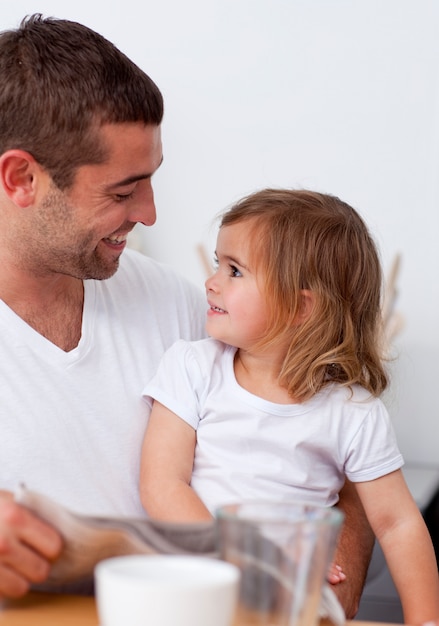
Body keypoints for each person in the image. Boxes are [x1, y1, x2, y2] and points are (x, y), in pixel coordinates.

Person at [0, 15, 372, 616]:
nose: (148, 214)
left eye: (151, 181)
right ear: (21, 179)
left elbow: (346, 452)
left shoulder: (184, 307)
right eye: (122, 192)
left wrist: (328, 588)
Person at [140, 188, 439, 624]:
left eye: (235, 271)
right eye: (218, 264)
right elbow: (163, 484)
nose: (212, 281)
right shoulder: (191, 366)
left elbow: (398, 524)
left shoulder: (353, 412)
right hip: (194, 583)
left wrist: (425, 621)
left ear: (301, 308)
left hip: (292, 600)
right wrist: (241, 560)